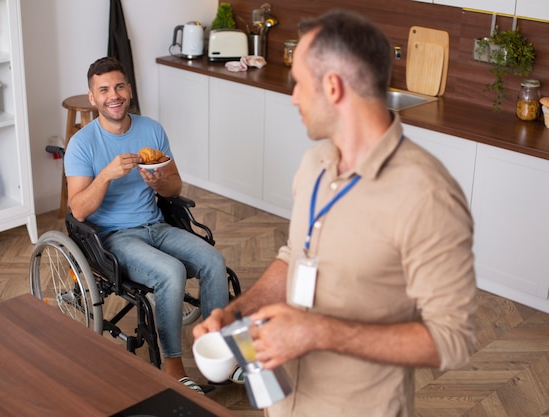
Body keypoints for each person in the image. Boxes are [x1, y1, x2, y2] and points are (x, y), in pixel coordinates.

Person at [194, 10, 477, 416]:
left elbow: (453, 340)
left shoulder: (427, 195)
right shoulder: (314, 164)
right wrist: (236, 314)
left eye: (299, 83)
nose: (292, 96)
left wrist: (320, 333)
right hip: (285, 400)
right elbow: (296, 257)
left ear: (332, 86)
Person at [64, 57, 229, 393]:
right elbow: (78, 210)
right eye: (104, 89)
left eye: (120, 86)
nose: (114, 95)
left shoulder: (151, 129)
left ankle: (218, 355)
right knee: (171, 272)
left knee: (214, 260)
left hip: (156, 224)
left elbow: (175, 187)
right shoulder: (82, 144)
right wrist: (107, 175)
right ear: (93, 97)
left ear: (129, 90)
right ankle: (173, 366)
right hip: (113, 237)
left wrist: (158, 183)